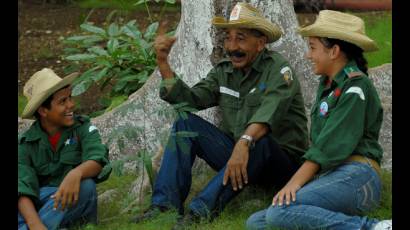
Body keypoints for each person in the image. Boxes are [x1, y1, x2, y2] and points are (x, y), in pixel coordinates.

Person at [131, 2, 308, 227]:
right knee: (185, 123)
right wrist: (164, 64)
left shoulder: (278, 70)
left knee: (258, 140)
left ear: (261, 43)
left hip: (281, 165)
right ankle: (164, 207)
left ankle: (200, 213)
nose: (232, 47)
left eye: (241, 38)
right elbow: (191, 100)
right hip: (240, 157)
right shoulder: (223, 72)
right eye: (228, 38)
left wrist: (244, 142)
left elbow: (268, 113)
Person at [246, 10, 392, 230]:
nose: (308, 55)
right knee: (256, 222)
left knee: (279, 213)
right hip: (333, 177)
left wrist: (294, 184)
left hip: (359, 177)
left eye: (313, 47)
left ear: (334, 51)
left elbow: (328, 147)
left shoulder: (355, 87)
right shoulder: (327, 87)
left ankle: (372, 227)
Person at [18, 68, 112, 230]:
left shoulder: (83, 128)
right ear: (43, 111)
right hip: (40, 201)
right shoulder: (26, 143)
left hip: (73, 200)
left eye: (70, 98)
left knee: (87, 187)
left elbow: (97, 159)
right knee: (23, 206)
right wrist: (35, 224)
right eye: (63, 101)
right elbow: (22, 188)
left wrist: (76, 173)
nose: (71, 105)